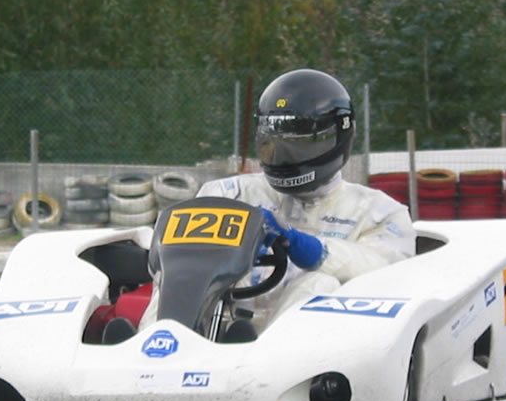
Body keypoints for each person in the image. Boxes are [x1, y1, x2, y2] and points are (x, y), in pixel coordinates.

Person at [138, 68, 416, 337]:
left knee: (321, 283)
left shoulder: (378, 212)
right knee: (177, 280)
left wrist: (313, 249)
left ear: (339, 137)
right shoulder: (228, 194)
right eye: (274, 142)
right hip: (218, 333)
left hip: (303, 354)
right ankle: (154, 345)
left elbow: (389, 273)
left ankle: (262, 361)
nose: (284, 156)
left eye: (299, 143)